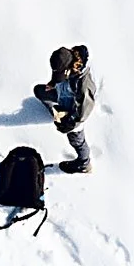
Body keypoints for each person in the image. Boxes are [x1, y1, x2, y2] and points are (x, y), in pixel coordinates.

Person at [33, 44, 95, 172]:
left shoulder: (83, 84)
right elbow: (59, 73)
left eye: (61, 73)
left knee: (76, 140)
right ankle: (56, 113)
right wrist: (53, 83)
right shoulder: (66, 60)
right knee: (39, 91)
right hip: (62, 95)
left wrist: (70, 123)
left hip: (74, 111)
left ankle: (84, 163)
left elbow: (84, 111)